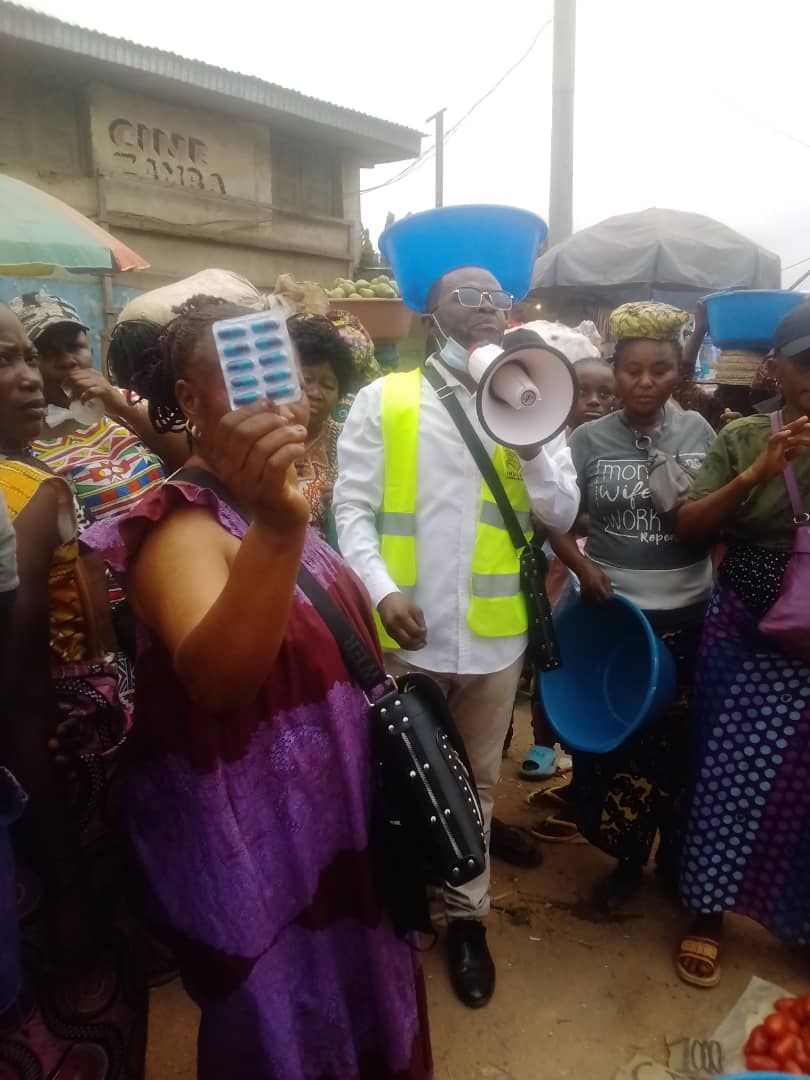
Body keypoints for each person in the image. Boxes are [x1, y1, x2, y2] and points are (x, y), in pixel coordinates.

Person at [83, 295, 433, 1080]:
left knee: (365, 998)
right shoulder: (179, 525)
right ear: (188, 400)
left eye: (283, 372)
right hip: (259, 859)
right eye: (244, 374)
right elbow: (219, 683)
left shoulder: (285, 492)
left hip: (344, 826)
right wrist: (279, 530)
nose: (283, 398)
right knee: (284, 1028)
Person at [334, 206, 580, 1009]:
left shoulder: (536, 389)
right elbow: (355, 512)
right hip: (405, 633)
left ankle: (467, 920)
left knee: (475, 778)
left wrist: (532, 435)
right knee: (402, 776)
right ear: (429, 310)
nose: (482, 303)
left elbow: (562, 513)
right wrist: (381, 588)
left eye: (494, 292)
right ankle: (402, 903)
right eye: (463, 292)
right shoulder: (386, 398)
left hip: (496, 634)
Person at [0, 302, 146, 1077]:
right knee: (82, 953)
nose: (28, 377)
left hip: (57, 736)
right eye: (7, 363)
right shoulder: (25, 496)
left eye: (31, 356)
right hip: (59, 752)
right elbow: (23, 689)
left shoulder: (39, 473)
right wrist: (67, 891)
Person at [547, 302, 715, 908]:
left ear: (678, 373)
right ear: (613, 373)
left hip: (687, 620)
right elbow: (552, 516)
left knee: (677, 746)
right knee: (613, 746)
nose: (645, 383)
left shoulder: (700, 433)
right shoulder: (587, 440)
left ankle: (673, 856)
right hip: (611, 620)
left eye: (660, 370)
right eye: (632, 370)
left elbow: (716, 517)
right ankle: (623, 860)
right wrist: (582, 566)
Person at [674, 299, 810, 988]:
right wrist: (759, 472)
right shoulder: (742, 436)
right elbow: (691, 524)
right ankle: (707, 909)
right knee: (726, 773)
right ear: (777, 368)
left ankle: (799, 917)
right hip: (748, 634)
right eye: (807, 362)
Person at [287, 313, 354, 543]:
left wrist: (347, 501)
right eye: (305, 380)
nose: (314, 394)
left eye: (327, 385)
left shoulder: (348, 442)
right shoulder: (260, 438)